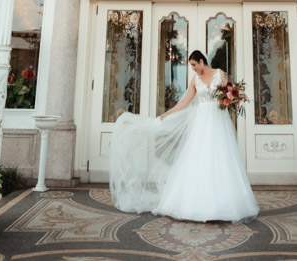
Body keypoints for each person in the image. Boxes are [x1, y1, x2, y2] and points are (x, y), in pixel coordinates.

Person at [108, 49, 258, 222]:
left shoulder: (219, 74)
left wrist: (232, 99)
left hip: (219, 121)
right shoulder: (196, 81)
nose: (193, 69)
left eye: (194, 65)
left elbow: (232, 92)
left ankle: (227, 204)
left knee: (222, 157)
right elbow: (185, 102)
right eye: (191, 66)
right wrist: (167, 114)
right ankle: (197, 203)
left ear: (202, 61)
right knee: (199, 159)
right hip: (202, 123)